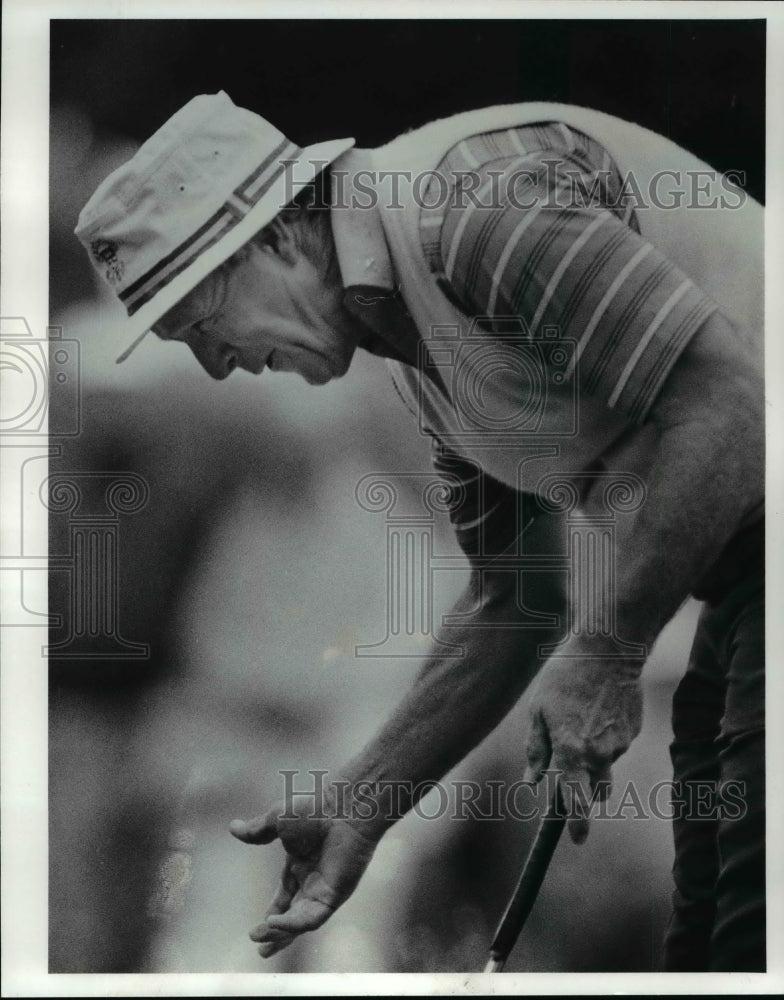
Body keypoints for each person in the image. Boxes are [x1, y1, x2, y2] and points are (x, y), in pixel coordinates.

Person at [75, 91, 764, 971]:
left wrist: (609, 653)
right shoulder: (413, 342)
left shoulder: (475, 210)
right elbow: (515, 599)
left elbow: (733, 405)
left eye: (202, 323)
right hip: (743, 579)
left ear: (279, 237)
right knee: (712, 931)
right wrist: (360, 804)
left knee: (742, 920)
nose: (216, 366)